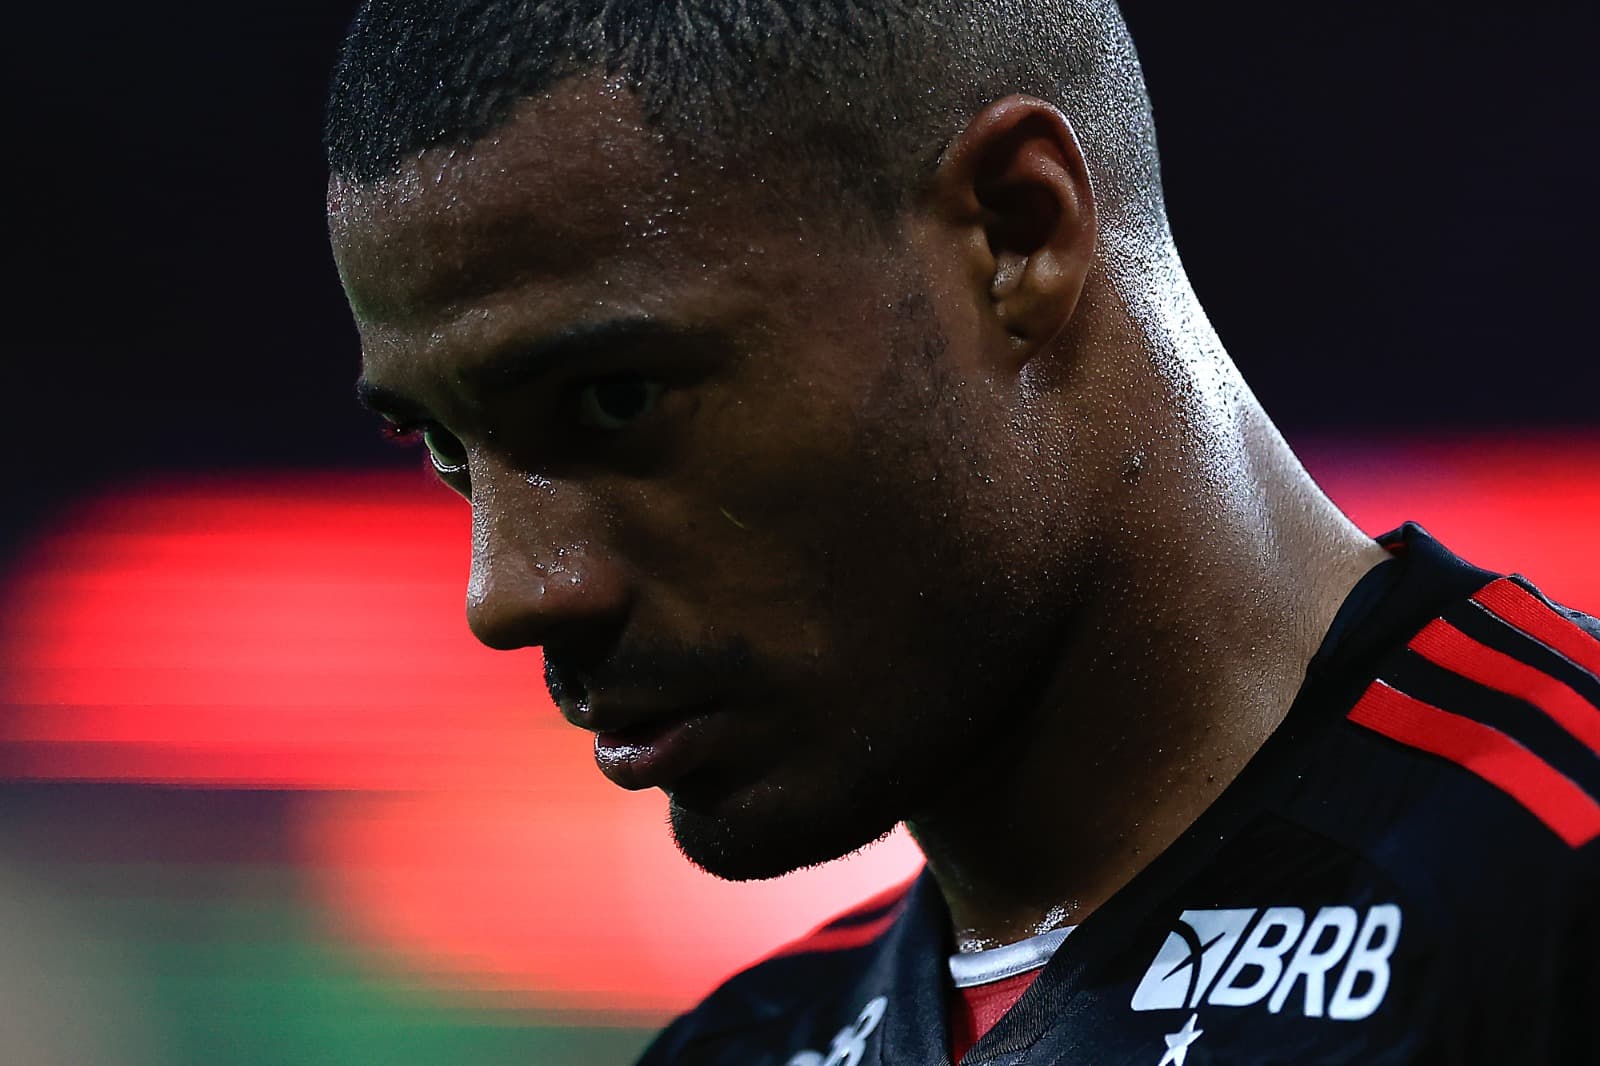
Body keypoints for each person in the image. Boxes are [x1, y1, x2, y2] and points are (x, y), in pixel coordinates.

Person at [323, 2, 1600, 1062]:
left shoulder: (1553, 884)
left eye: (615, 399)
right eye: (446, 446)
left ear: (1014, 234)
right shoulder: (739, 1046)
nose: (507, 592)